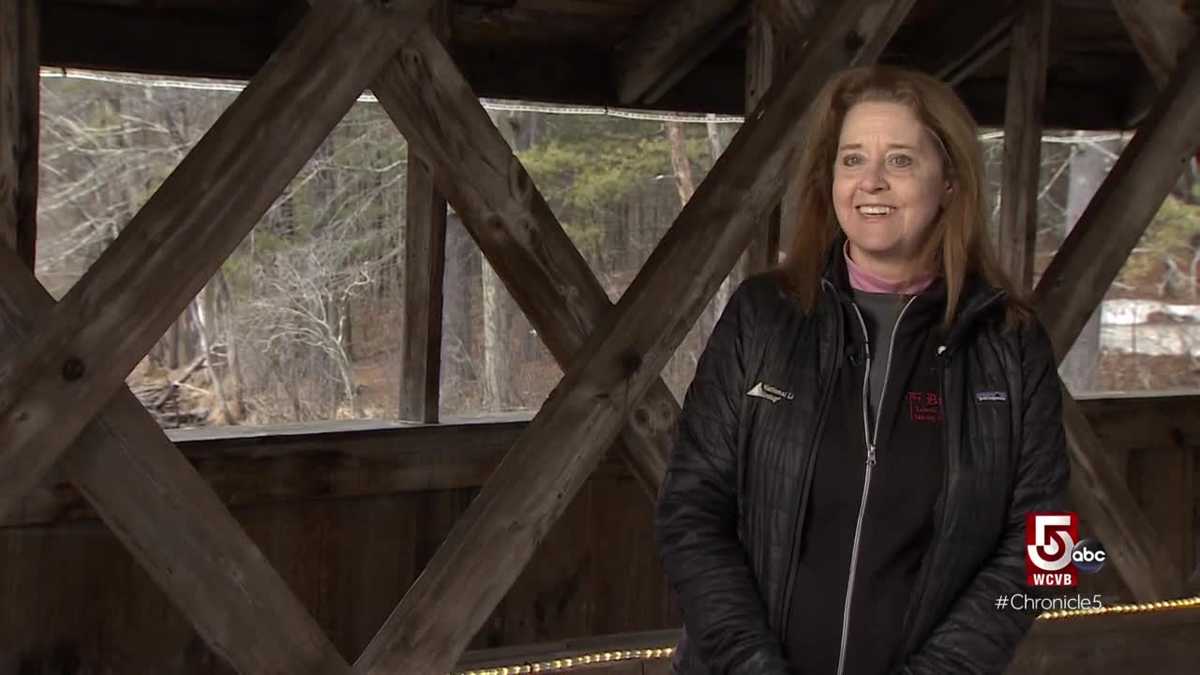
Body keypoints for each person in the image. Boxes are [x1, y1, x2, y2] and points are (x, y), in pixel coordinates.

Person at [654, 65, 1070, 675]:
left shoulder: (1011, 343)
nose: (871, 182)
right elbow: (690, 508)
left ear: (950, 179)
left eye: (900, 160)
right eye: (852, 160)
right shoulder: (765, 316)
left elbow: (1048, 550)